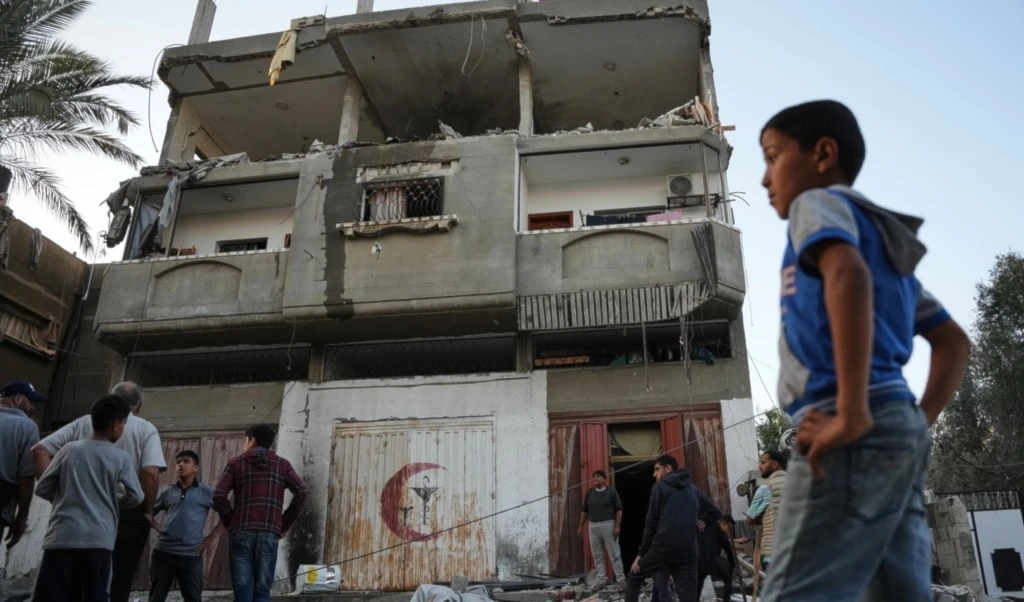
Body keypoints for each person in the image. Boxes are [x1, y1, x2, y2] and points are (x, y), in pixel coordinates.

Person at [758, 100, 971, 602]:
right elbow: (953, 342)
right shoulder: (890, 257)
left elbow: (847, 275)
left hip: (845, 427)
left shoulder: (819, 203)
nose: (765, 178)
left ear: (823, 155)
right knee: (898, 591)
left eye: (772, 156)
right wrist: (918, 421)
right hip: (897, 428)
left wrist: (851, 415)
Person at [32, 381, 166, 602]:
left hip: (63, 531)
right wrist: (144, 509)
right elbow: (150, 474)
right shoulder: (143, 430)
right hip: (110, 524)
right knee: (114, 582)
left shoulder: (74, 440)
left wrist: (64, 495)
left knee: (58, 590)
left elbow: (39, 451)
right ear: (137, 407)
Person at [214, 424, 308, 602]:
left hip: (241, 531)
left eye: (245, 440)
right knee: (262, 591)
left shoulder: (235, 464)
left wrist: (231, 521)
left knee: (242, 589)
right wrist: (282, 524)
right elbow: (302, 492)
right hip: (268, 533)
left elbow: (219, 494)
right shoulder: (283, 465)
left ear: (252, 441)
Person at [625, 455, 721, 602]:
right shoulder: (693, 490)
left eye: (657, 469)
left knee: (634, 576)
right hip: (688, 551)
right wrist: (702, 522)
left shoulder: (660, 487)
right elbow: (715, 513)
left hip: (663, 547)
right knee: (687, 596)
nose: (654, 474)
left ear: (668, 468)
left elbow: (651, 522)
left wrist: (641, 553)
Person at [149, 450, 217, 602]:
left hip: (191, 555)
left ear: (196, 468)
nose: (180, 464)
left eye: (186, 461)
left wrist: (210, 538)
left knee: (193, 597)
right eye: (178, 461)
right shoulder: (167, 492)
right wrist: (157, 526)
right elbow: (148, 513)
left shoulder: (206, 492)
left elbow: (228, 514)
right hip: (163, 553)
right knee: (156, 597)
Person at [0, 381, 45, 550]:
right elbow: (26, 477)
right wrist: (22, 517)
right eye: (30, 401)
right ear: (18, 399)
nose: (32, 407)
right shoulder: (26, 426)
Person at [578, 470, 625, 586]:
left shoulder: (611, 492)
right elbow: (584, 511)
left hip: (608, 524)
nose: (595, 479)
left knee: (614, 554)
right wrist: (580, 526)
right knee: (597, 555)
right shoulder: (589, 493)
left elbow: (619, 510)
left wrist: (617, 526)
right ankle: (601, 579)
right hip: (593, 526)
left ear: (604, 479)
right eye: (594, 477)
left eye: (598, 476)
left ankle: (620, 579)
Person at [745, 450, 788, 572]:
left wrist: (764, 517)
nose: (760, 466)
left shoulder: (766, 488)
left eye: (763, 462)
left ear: (774, 464)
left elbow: (750, 519)